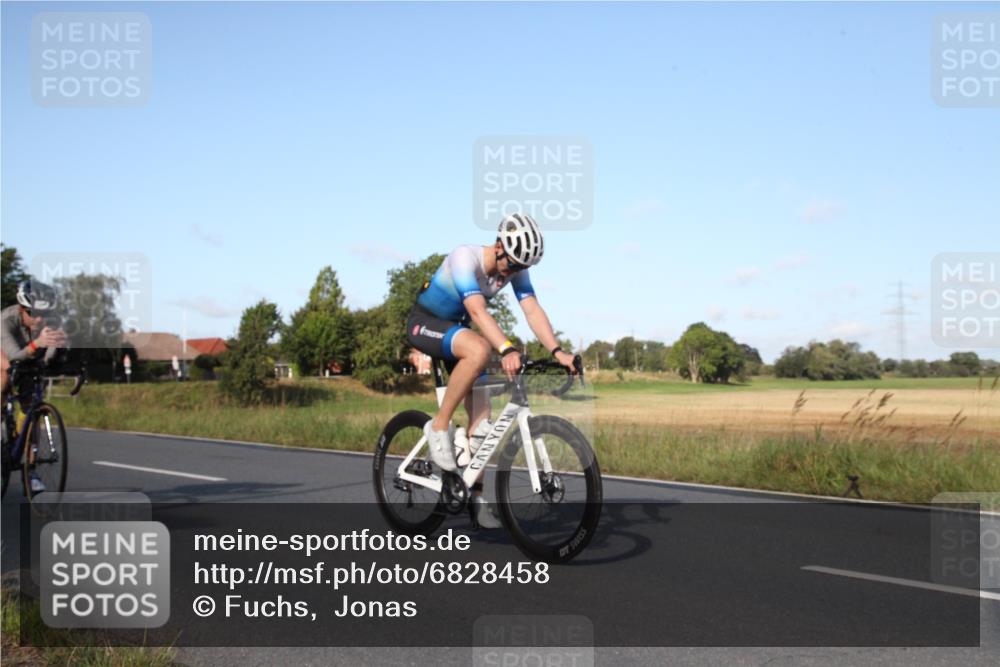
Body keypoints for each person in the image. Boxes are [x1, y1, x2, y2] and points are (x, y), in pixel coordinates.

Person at [405, 213, 577, 527]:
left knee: (482, 428)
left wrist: (558, 351)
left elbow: (532, 309)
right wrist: (507, 348)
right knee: (481, 349)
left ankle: (475, 499)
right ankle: (439, 426)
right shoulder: (464, 258)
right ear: (499, 245)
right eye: (512, 264)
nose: (514, 272)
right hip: (425, 323)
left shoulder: (515, 267)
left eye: (522, 268)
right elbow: (476, 310)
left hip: (458, 331)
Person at [1, 279, 67, 493]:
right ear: (22, 309)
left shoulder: (51, 320)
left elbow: (47, 357)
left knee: (32, 410)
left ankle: (30, 470)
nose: (39, 319)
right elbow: (13, 357)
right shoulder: (6, 320)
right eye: (33, 313)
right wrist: (36, 344)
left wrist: (58, 350)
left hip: (28, 358)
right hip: (5, 353)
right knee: (4, 376)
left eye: (44, 314)